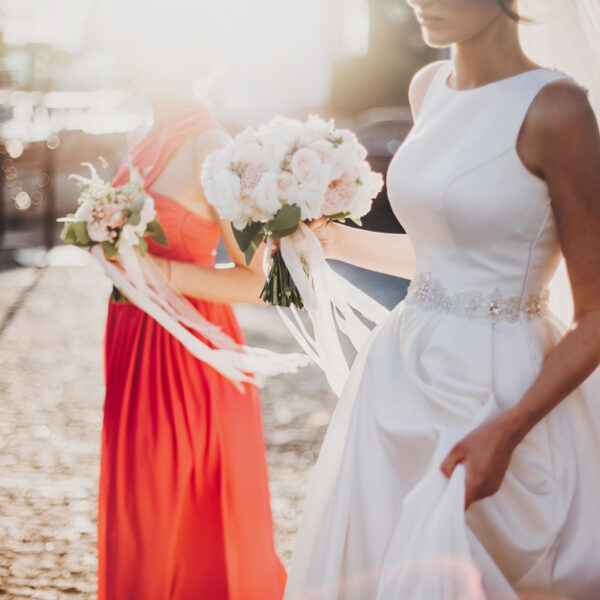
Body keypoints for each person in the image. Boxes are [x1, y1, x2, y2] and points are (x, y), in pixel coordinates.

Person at [284, 0, 600, 598]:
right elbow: (444, 254)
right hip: (397, 377)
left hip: (500, 389)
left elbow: (597, 315)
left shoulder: (559, 110)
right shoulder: (428, 87)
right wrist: (326, 240)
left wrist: (506, 431)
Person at [97, 99, 286, 599]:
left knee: (171, 519)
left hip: (185, 353)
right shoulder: (149, 133)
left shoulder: (214, 149)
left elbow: (258, 281)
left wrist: (162, 274)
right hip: (132, 335)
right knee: (136, 516)